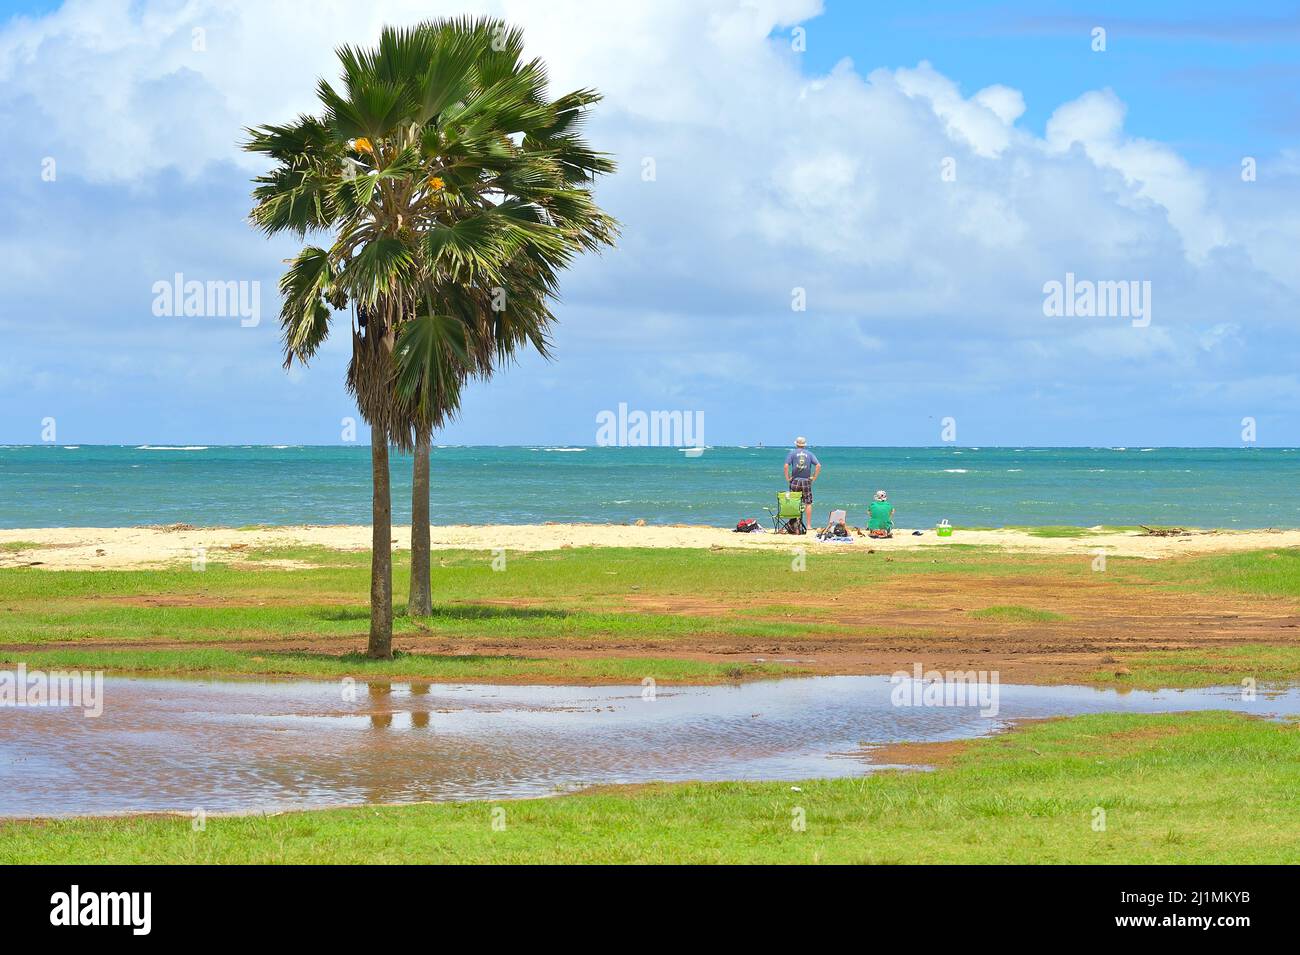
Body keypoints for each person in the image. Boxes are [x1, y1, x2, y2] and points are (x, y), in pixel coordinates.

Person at [783, 437, 821, 533]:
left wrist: (787, 478)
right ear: (804, 445)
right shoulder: (809, 454)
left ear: (796, 444)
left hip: (795, 480)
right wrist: (814, 477)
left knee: (794, 501)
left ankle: (794, 523)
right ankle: (808, 525)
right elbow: (818, 465)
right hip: (806, 480)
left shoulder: (792, 453)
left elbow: (786, 466)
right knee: (808, 503)